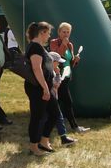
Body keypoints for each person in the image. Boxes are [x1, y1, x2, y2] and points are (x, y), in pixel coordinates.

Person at [24, 21, 60, 156]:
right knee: (37, 117)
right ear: (41, 33)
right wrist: (45, 88)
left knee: (54, 113)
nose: (49, 36)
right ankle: (33, 146)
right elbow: (36, 68)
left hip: (45, 86)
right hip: (37, 87)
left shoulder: (38, 47)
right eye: (48, 33)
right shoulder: (35, 48)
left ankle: (44, 141)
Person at [49, 22, 90, 133]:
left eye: (68, 32)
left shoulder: (70, 45)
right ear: (59, 32)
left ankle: (51, 125)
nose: (66, 34)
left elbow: (69, 62)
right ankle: (74, 127)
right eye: (64, 32)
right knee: (67, 102)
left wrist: (75, 60)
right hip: (57, 77)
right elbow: (56, 56)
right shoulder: (54, 42)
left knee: (59, 102)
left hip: (66, 77)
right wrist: (63, 44)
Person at [47, 51, 77, 146]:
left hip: (52, 98)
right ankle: (42, 140)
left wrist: (58, 75)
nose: (59, 64)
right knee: (48, 118)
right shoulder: (49, 72)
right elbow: (56, 85)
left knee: (57, 117)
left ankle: (63, 138)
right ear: (52, 61)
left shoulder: (51, 70)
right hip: (49, 99)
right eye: (58, 62)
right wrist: (58, 75)